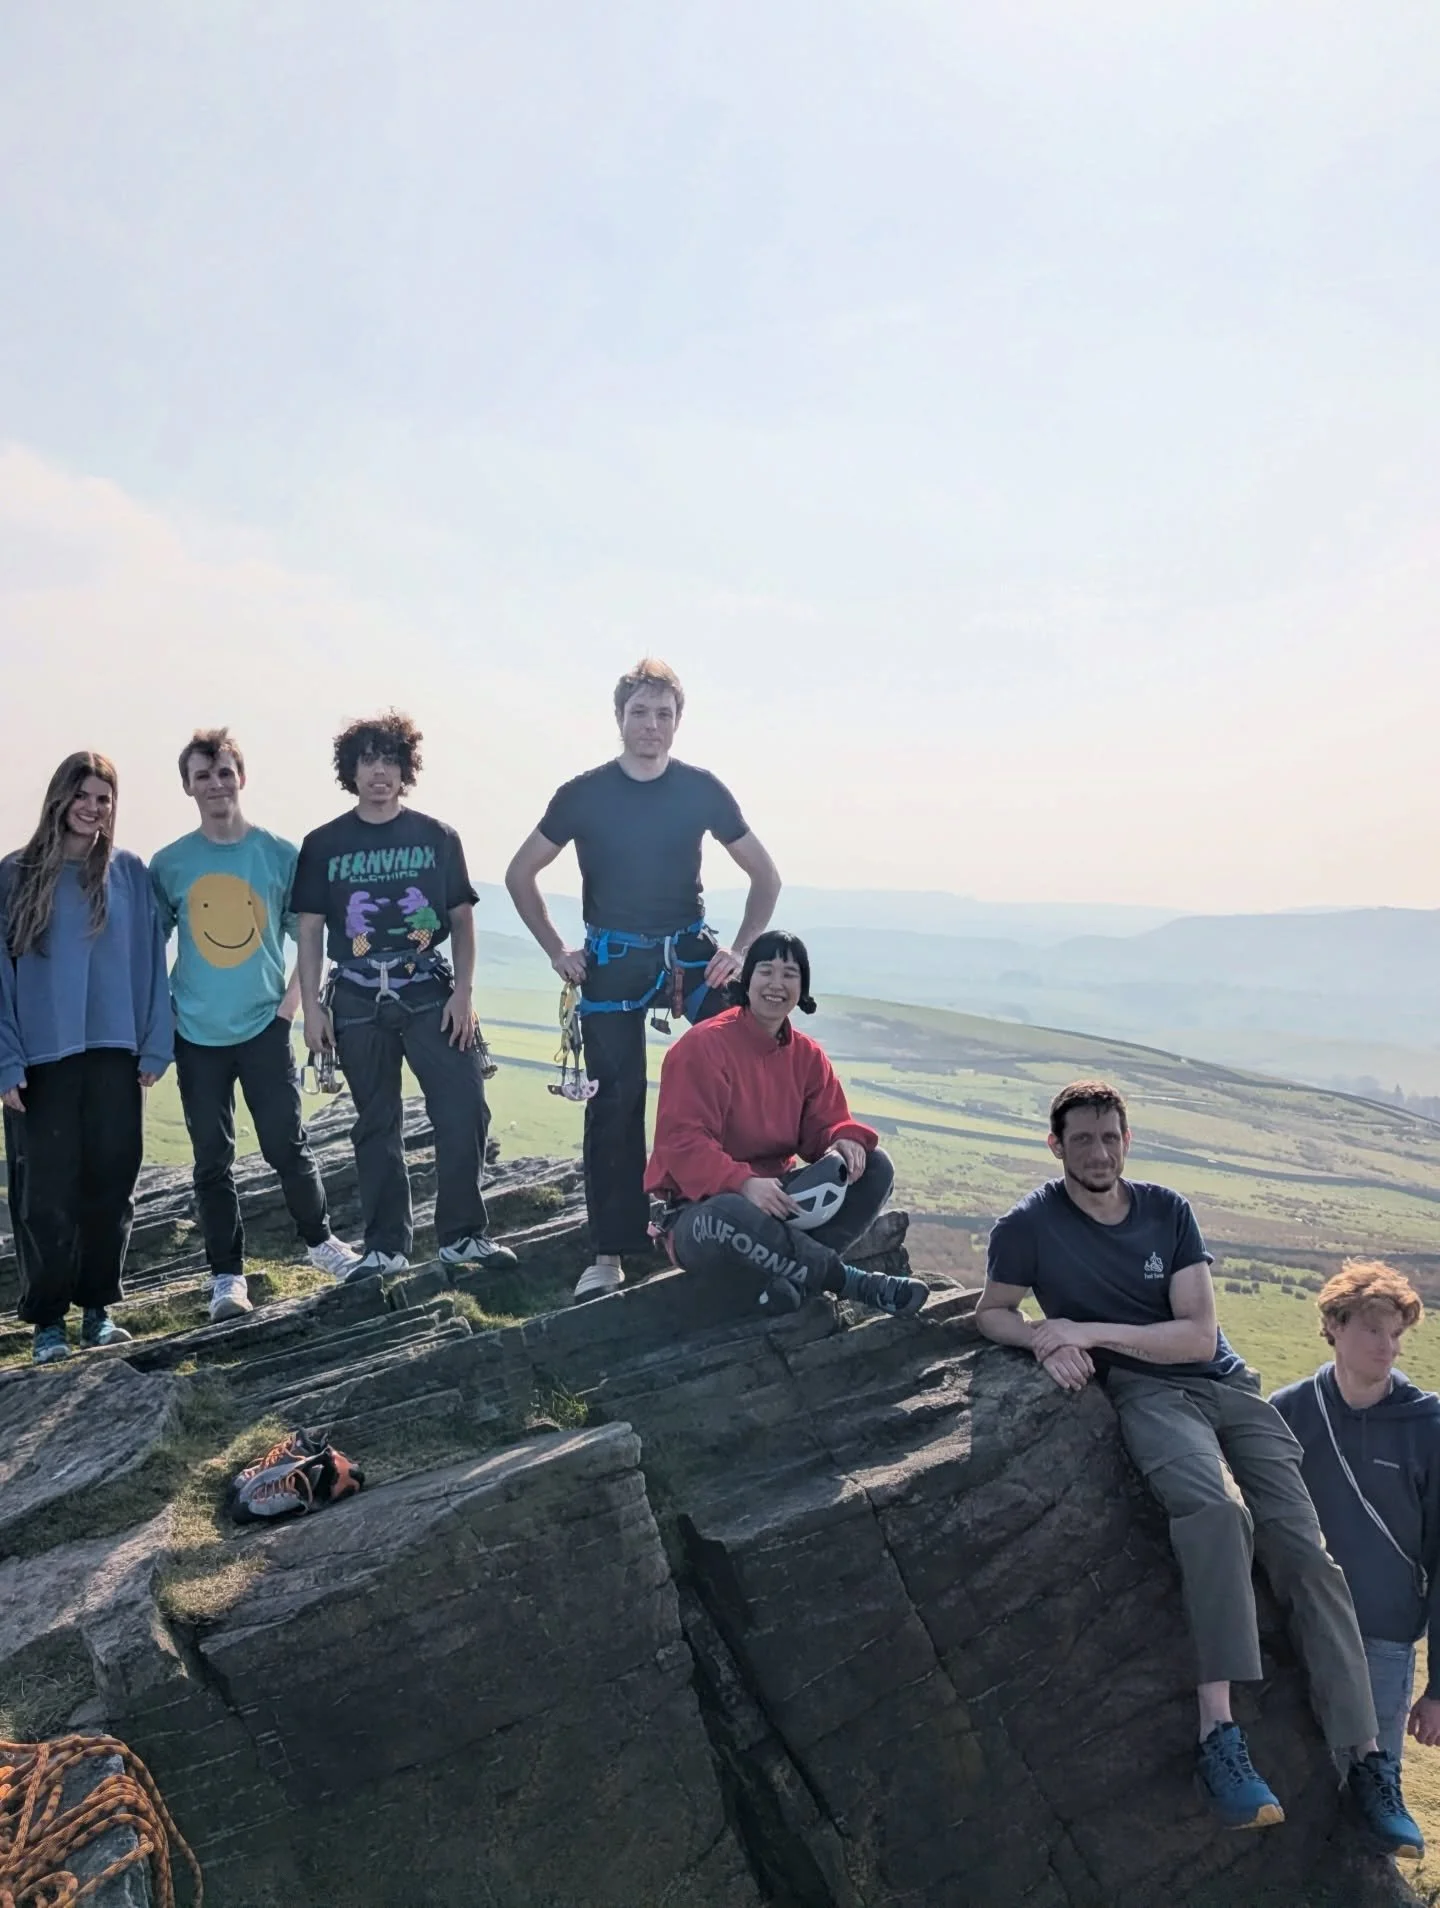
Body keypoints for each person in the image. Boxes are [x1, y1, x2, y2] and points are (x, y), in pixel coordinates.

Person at [975, 1080, 1422, 1857]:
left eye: (1111, 1136)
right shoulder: (1029, 1225)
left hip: (1225, 1388)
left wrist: (1083, 1324)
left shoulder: (1167, 1212)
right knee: (1219, 1516)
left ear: (1128, 1139)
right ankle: (1220, 1735)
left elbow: (1195, 1336)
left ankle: (1370, 1762)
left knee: (1307, 1554)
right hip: (1148, 1398)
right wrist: (1042, 1339)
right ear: (1056, 1146)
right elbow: (992, 1310)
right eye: (1083, 1139)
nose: (1100, 1151)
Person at [506, 659, 781, 1302]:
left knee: (756, 1053)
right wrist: (557, 951)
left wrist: (738, 952)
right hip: (611, 958)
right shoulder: (583, 794)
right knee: (615, 1102)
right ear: (619, 717)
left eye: (663, 714)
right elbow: (522, 874)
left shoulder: (701, 790)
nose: (651, 725)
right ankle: (609, 1252)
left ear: (678, 722)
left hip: (689, 953)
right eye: (640, 712)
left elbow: (765, 876)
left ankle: (751, 1208)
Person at [294, 711, 515, 1279]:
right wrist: (312, 1008)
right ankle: (386, 1248)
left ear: (405, 768)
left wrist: (464, 993)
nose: (379, 772)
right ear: (351, 769)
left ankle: (462, 1238)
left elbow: (462, 921)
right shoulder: (323, 844)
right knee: (375, 1121)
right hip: (356, 997)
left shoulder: (437, 837)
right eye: (367, 760)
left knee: (464, 1106)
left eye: (390, 760)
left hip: (429, 989)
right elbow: (312, 928)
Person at [150, 728, 360, 1323]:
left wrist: (292, 1008)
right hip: (195, 1034)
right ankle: (226, 1280)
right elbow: (148, 943)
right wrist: (162, 1012)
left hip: (264, 1029)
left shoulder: (278, 854)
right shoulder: (170, 864)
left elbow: (309, 937)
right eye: (202, 776)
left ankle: (322, 1244)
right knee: (212, 1159)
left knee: (286, 1146)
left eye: (224, 772)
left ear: (241, 777)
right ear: (187, 787)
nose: (215, 785)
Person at [644, 930, 928, 1318]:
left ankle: (789, 1281)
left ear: (803, 987)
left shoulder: (808, 1056)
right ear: (745, 980)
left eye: (790, 974)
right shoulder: (700, 1047)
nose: (777, 984)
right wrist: (742, 1183)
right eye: (766, 971)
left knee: (876, 1166)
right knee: (730, 1213)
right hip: (702, 1217)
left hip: (779, 1201)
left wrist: (843, 1139)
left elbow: (825, 1125)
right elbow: (681, 1141)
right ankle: (854, 1283)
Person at [0, 753, 173, 1364]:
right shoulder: (15, 874)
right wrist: (6, 1060)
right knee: (42, 1194)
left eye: (104, 797)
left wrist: (156, 1042)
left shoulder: (128, 872)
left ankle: (98, 1310)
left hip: (115, 1055)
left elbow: (152, 961)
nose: (93, 807)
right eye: (84, 794)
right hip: (41, 1060)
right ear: (59, 796)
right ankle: (47, 1321)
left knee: (109, 1184)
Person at [1271, 1262, 1440, 1793]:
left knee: (1373, 1791)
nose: (1388, 1347)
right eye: (1373, 1329)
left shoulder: (1430, 1427)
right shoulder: (1287, 1411)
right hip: (1291, 1628)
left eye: (1396, 1334)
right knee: (1289, 1775)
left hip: (1383, 1641)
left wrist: (1439, 1687)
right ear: (1335, 1325)